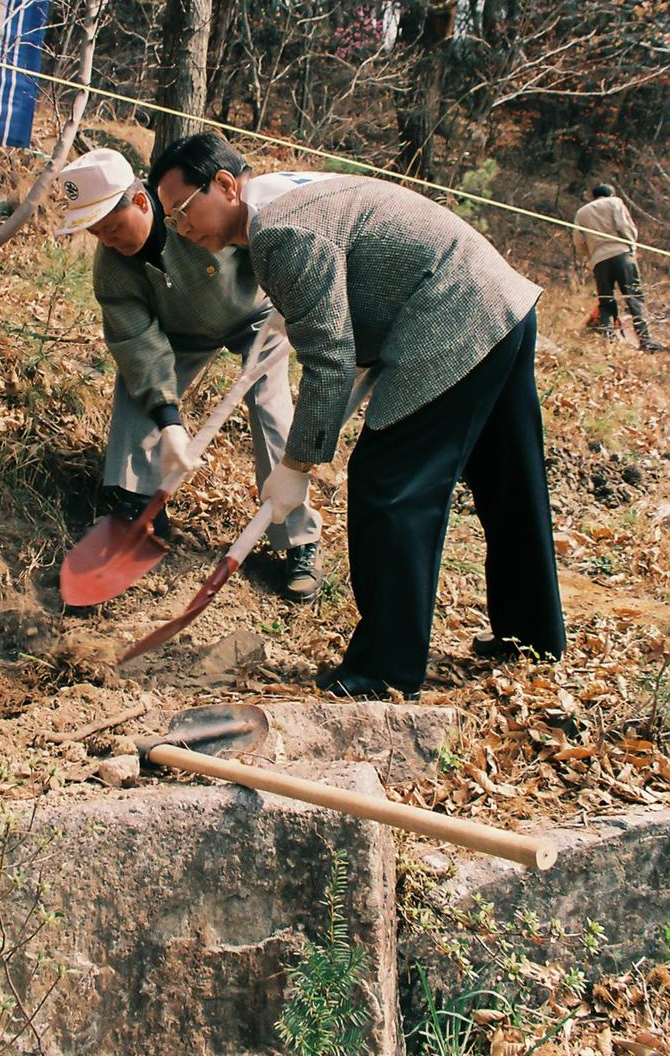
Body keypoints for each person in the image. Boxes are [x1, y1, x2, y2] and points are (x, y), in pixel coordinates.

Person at [150, 132, 566, 700]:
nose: (180, 228)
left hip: (450, 313)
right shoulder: (283, 195)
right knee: (508, 477)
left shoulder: (279, 230)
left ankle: (384, 670)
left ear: (224, 184)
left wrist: (296, 464)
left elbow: (331, 358)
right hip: (498, 298)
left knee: (389, 485)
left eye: (181, 210)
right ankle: (532, 635)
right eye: (170, 218)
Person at [56, 146, 323, 603]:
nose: (110, 241)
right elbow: (137, 343)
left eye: (114, 227)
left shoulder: (194, 213)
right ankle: (138, 507)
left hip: (255, 316)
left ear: (141, 202)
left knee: (271, 410)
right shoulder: (113, 267)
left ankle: (299, 540)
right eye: (98, 234)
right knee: (136, 389)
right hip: (179, 334)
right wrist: (169, 421)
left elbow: (258, 236)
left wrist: (290, 299)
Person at [573, 183, 660, 352]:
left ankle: (608, 341)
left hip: (599, 260)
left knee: (606, 301)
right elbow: (624, 226)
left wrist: (592, 254)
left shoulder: (581, 212)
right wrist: (631, 245)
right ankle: (645, 340)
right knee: (634, 296)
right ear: (610, 194)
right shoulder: (614, 202)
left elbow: (579, 242)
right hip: (621, 254)